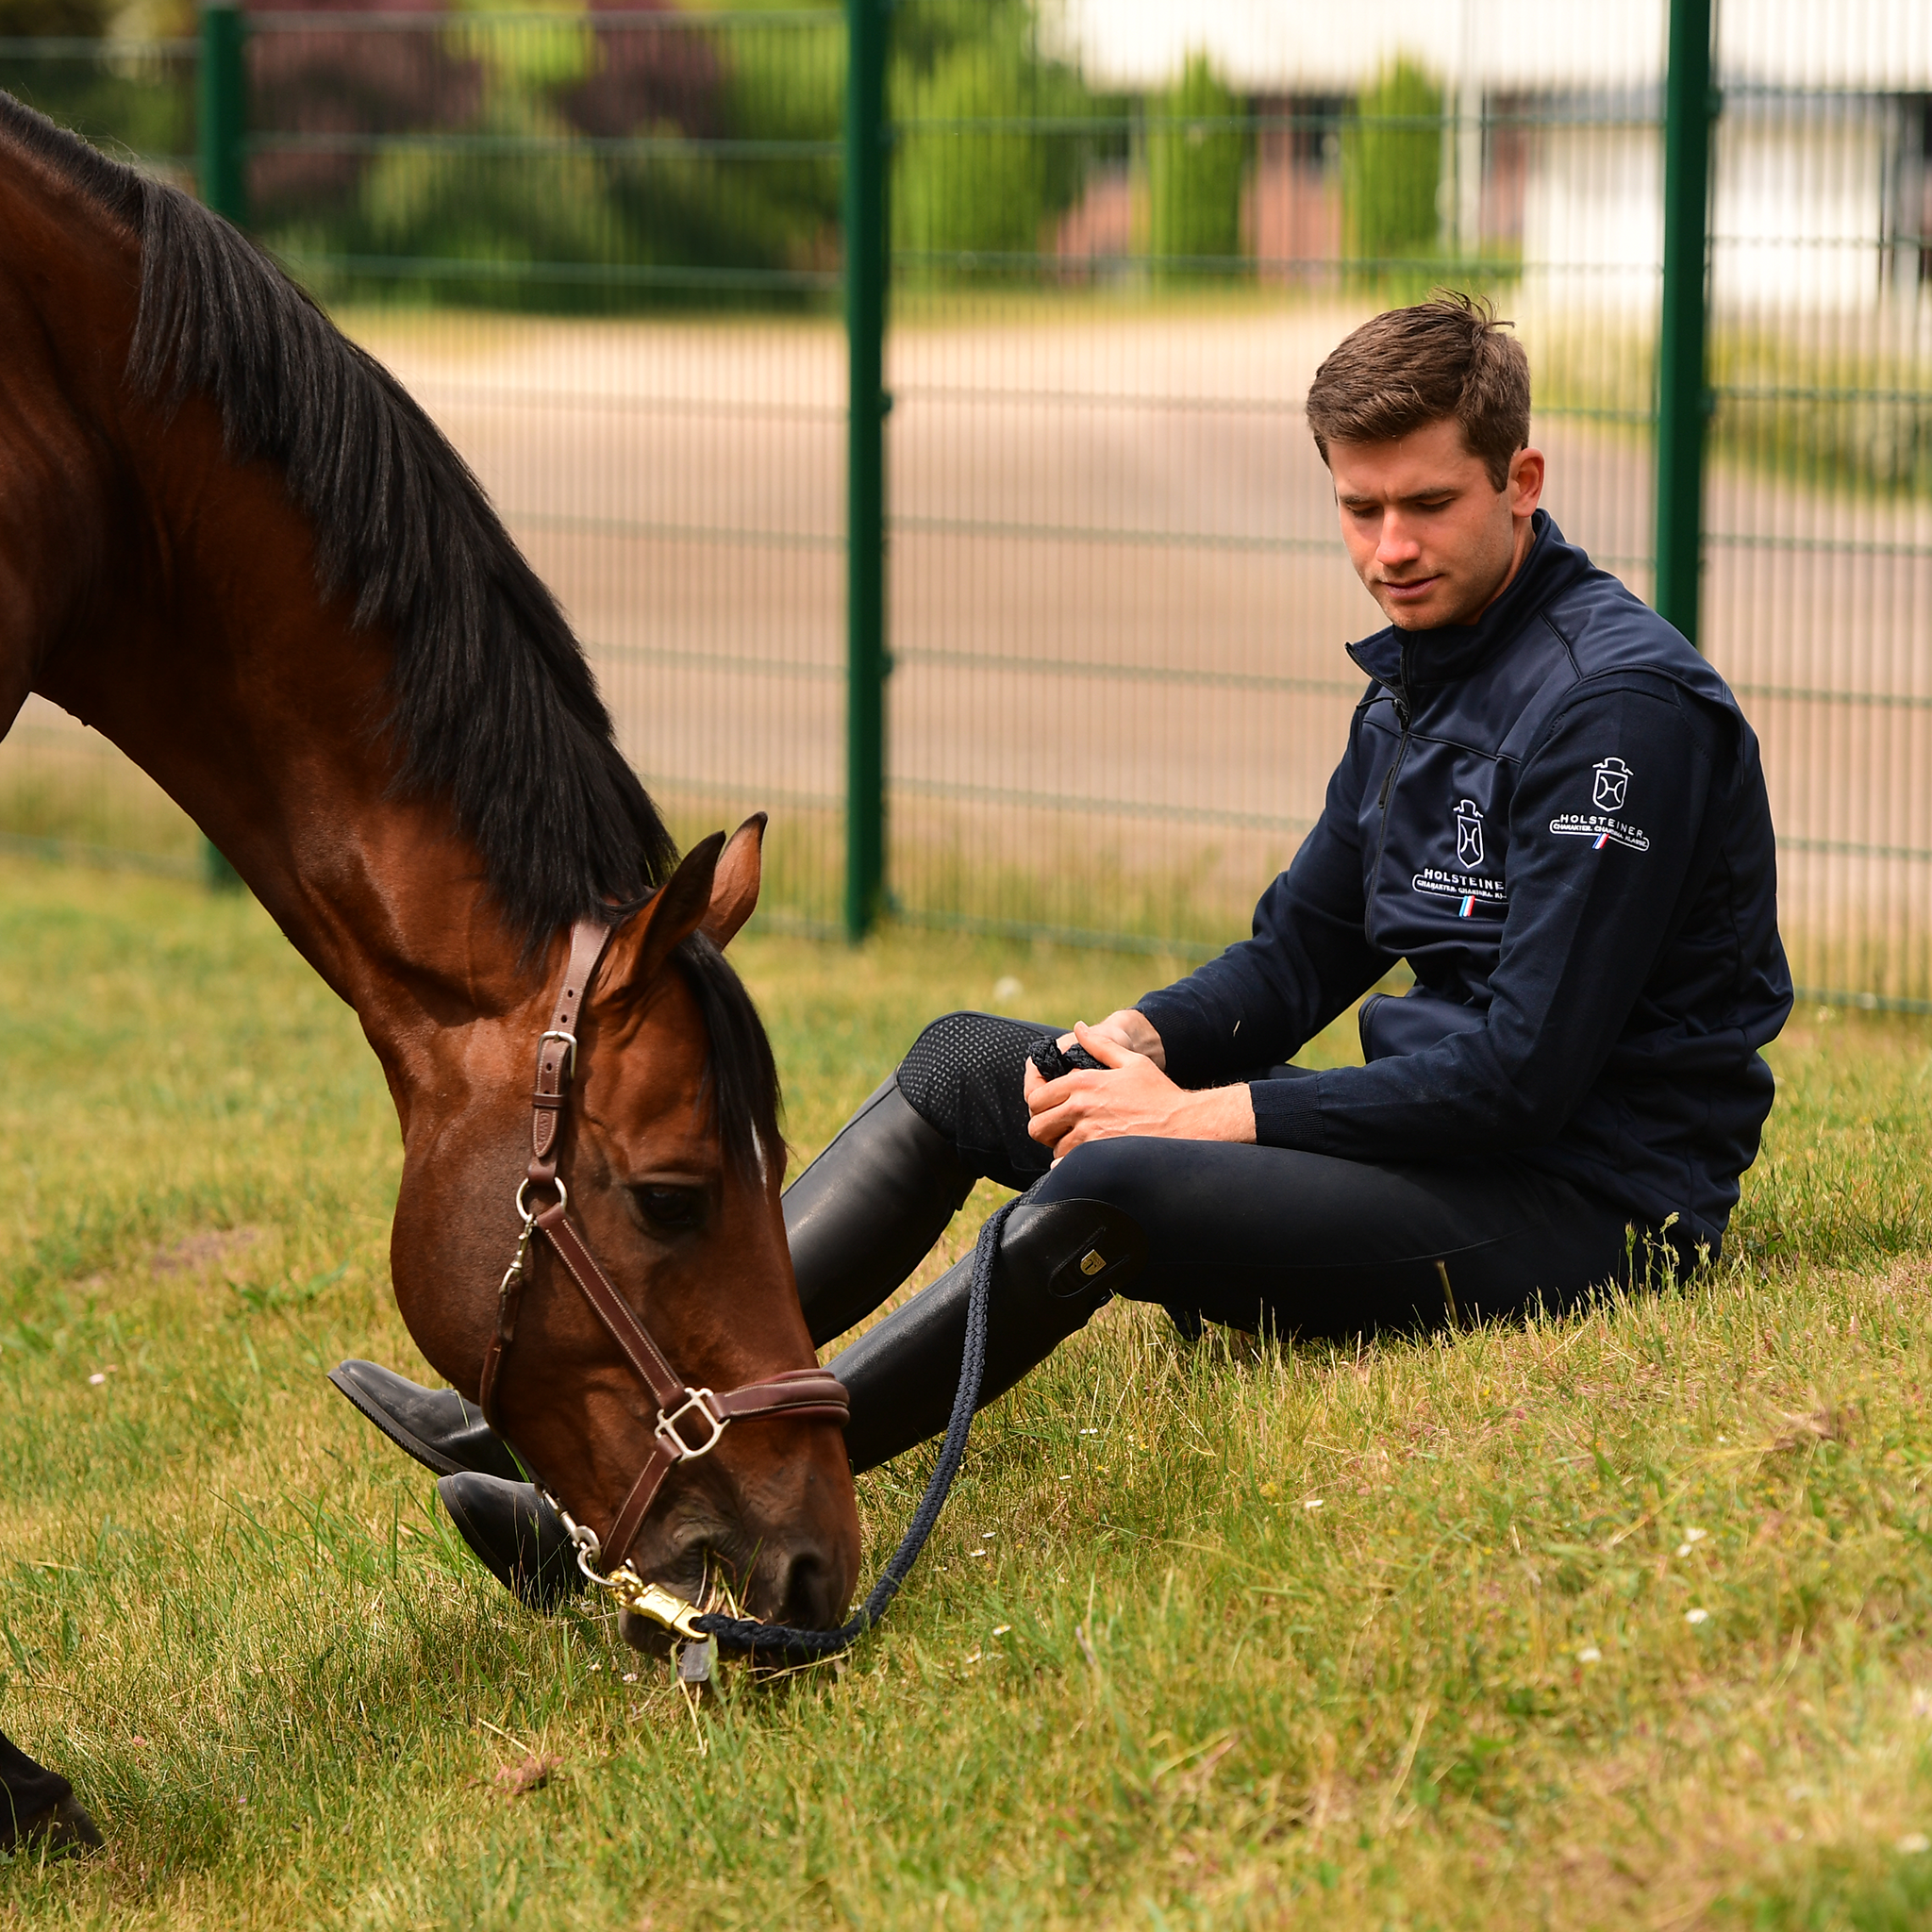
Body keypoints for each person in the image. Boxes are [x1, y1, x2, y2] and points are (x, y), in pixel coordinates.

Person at [334, 292, 1791, 1607]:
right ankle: (536, 1430)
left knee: (1120, 1175)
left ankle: (679, 1490)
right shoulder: (1425, 677)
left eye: (1427, 506)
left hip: (1585, 1211)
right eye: (1358, 510)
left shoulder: (1619, 713)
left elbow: (1525, 1079)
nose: (1388, 550)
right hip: (1438, 1153)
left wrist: (1196, 1115)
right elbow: (1299, 957)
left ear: (1522, 482)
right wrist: (1148, 1040)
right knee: (970, 1065)